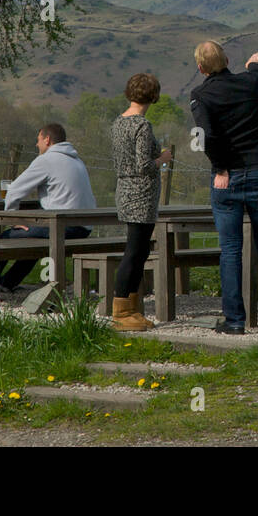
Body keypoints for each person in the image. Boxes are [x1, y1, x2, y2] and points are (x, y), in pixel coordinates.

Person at [189, 41, 258, 334]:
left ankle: (235, 321)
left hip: (227, 178)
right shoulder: (248, 84)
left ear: (200, 68)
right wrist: (253, 62)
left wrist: (220, 168)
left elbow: (204, 137)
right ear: (227, 60)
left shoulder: (201, 95)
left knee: (231, 250)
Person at [0, 123, 96, 293]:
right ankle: (7, 282)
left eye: (38, 140)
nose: (37, 144)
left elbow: (14, 190)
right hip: (84, 228)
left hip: (64, 227)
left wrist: (12, 218)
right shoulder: (77, 160)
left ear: (47, 139)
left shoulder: (47, 160)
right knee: (33, 237)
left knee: (7, 235)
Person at [109, 73, 174, 332]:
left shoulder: (118, 122)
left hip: (124, 189)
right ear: (153, 96)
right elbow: (144, 165)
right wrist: (163, 158)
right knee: (135, 252)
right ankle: (122, 311)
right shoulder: (141, 125)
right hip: (141, 193)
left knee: (139, 251)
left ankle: (131, 309)